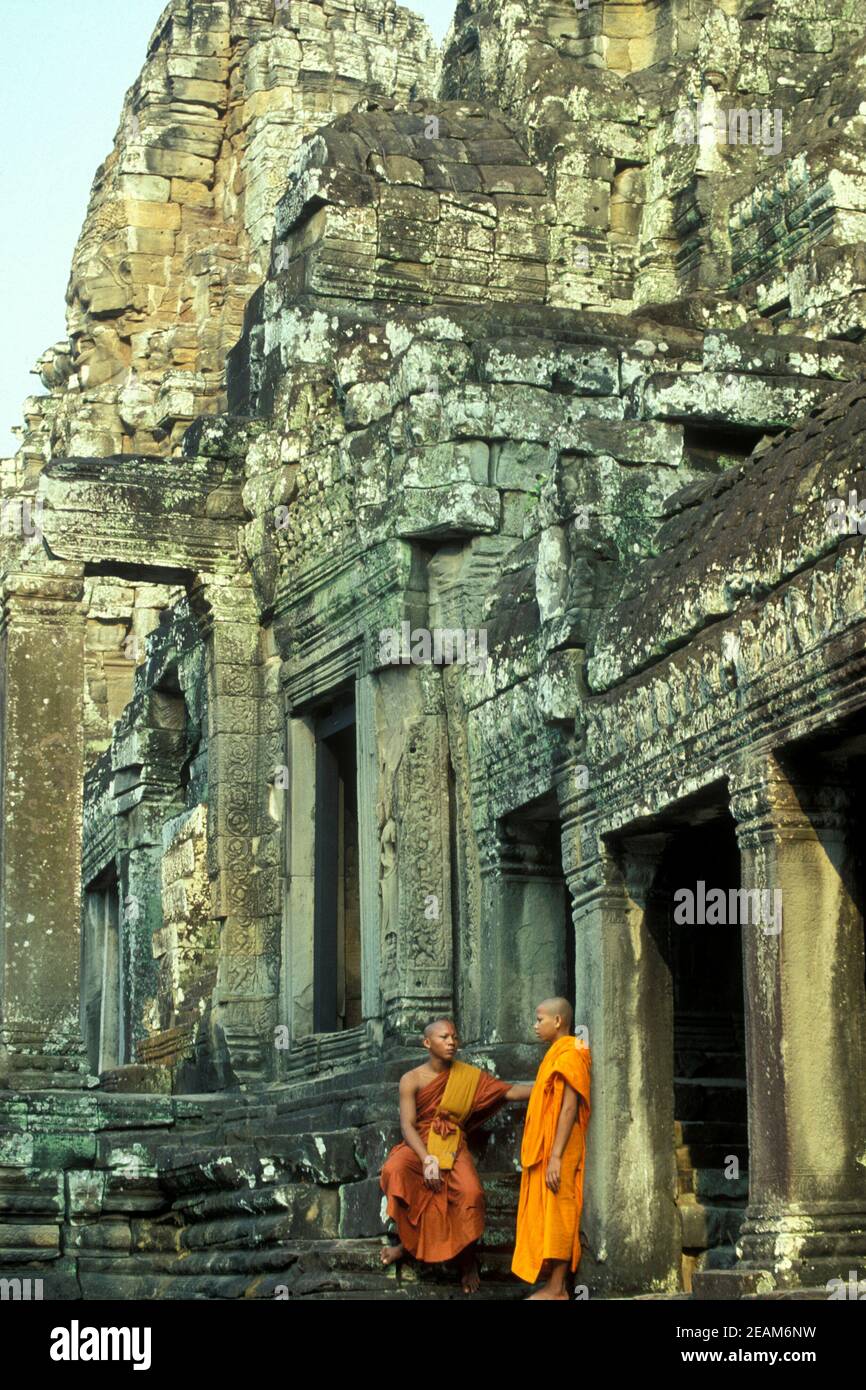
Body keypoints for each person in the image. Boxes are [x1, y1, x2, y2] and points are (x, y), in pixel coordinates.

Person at [380, 1017, 532, 1293]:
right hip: (421, 1143)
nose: (452, 1042)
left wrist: (546, 1087)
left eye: (454, 1037)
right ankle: (408, 1245)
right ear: (427, 1043)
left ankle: (467, 1259)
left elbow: (508, 1091)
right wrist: (426, 1159)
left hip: (451, 1142)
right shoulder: (411, 1079)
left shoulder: (467, 1077)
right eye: (444, 1038)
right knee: (395, 1170)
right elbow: (407, 1125)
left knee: (471, 1193)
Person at [511, 997, 592, 1299]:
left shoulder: (573, 1052)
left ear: (558, 1021)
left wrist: (556, 1155)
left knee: (560, 1209)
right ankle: (552, 1284)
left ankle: (558, 1288)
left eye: (539, 1019)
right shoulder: (554, 1055)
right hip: (548, 1146)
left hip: (562, 1144)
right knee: (547, 1210)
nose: (535, 1026)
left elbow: (569, 1106)